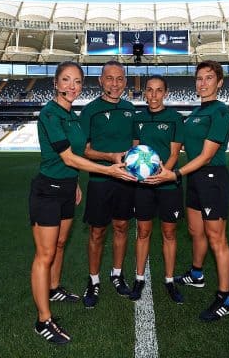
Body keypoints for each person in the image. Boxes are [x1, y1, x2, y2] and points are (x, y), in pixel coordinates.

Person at [29, 61, 136, 345]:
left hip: (65, 188)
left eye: (77, 82)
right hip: (48, 190)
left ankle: (54, 288)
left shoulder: (73, 115)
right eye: (66, 80)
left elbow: (77, 154)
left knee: (61, 244)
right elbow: (66, 157)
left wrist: (74, 182)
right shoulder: (50, 113)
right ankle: (43, 320)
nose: (72, 87)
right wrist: (109, 169)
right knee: (44, 254)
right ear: (56, 83)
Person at [144, 60, 229, 321]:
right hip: (194, 179)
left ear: (219, 82)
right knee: (196, 231)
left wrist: (176, 173)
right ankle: (197, 274)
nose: (202, 83)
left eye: (208, 78)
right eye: (199, 78)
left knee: (217, 239)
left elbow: (206, 155)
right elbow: (182, 147)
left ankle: (224, 298)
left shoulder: (220, 112)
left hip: (212, 178)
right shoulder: (195, 114)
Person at [79, 60, 136, 308]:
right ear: (100, 81)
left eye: (120, 78)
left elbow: (135, 145)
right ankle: (93, 280)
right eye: (109, 78)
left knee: (122, 227)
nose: (115, 83)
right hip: (100, 180)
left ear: (125, 82)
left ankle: (117, 274)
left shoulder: (131, 109)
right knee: (97, 232)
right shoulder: (90, 111)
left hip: (125, 180)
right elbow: (83, 150)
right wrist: (109, 158)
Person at [129, 75, 185, 304]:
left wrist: (161, 176)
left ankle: (170, 280)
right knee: (142, 232)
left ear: (166, 93)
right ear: (145, 93)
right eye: (149, 90)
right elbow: (134, 152)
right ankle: (139, 278)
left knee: (169, 233)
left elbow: (173, 154)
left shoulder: (175, 119)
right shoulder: (137, 119)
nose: (153, 95)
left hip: (168, 184)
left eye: (158, 90)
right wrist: (142, 175)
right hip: (143, 186)